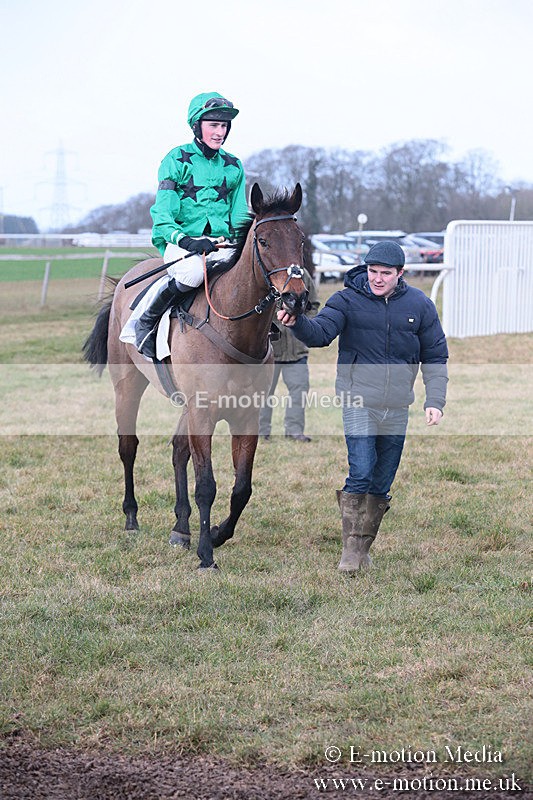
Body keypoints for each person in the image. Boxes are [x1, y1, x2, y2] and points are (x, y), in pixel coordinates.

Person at [277, 241, 448, 573]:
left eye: (386, 273)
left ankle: (363, 547)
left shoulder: (420, 305)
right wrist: (296, 322)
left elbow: (436, 356)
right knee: (362, 471)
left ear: (401, 273)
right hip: (357, 400)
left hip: (397, 406)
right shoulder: (346, 300)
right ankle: (351, 553)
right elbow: (320, 333)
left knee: (382, 481)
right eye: (373, 271)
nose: (378, 278)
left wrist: (435, 401)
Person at [120, 91, 249, 359]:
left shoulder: (234, 165)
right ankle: (146, 321)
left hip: (221, 243)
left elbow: (239, 215)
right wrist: (186, 240)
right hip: (179, 243)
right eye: (213, 125)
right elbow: (163, 215)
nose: (219, 132)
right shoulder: (176, 159)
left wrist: (242, 242)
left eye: (224, 126)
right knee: (192, 274)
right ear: (197, 126)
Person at [259, 267, 319, 442]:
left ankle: (294, 431)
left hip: (297, 350)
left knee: (299, 390)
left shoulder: (301, 274)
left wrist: (304, 324)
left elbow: (313, 304)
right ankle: (261, 432)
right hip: (268, 349)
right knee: (264, 393)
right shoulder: (266, 274)